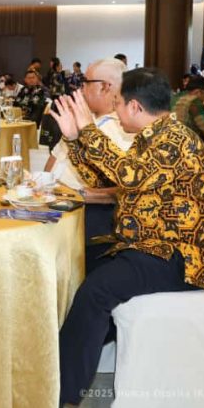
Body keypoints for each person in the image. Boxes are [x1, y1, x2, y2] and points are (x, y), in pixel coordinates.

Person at [51, 69, 204, 408]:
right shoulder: (155, 135)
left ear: (134, 107)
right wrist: (74, 139)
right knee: (84, 262)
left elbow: (128, 175)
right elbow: (108, 179)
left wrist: (86, 130)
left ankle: (60, 391)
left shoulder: (174, 140)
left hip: (177, 256)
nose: (115, 112)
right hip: (150, 242)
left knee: (96, 290)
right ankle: (74, 354)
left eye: (117, 105)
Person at [45, 58, 133, 272]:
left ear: (105, 87)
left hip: (89, 212)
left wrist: (79, 195)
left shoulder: (124, 128)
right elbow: (54, 159)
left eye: (85, 82)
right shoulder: (83, 119)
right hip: (54, 201)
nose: (80, 88)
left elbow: (126, 187)